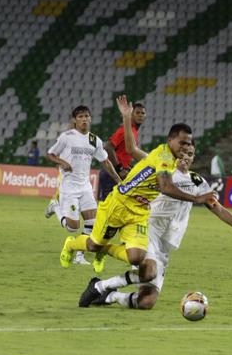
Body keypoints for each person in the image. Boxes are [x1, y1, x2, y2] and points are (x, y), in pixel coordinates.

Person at [79, 143, 232, 309]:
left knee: (146, 302)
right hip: (148, 231)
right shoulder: (163, 170)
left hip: (167, 245)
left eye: (190, 154)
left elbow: (218, 209)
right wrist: (128, 118)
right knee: (148, 271)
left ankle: (110, 295)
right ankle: (100, 286)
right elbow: (132, 149)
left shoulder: (197, 182)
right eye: (183, 153)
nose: (185, 157)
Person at [60, 95, 214, 279]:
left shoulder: (163, 157)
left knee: (136, 257)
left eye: (189, 144)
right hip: (118, 204)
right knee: (93, 244)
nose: (185, 147)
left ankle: (105, 250)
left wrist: (126, 118)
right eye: (182, 143)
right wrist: (197, 199)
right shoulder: (164, 157)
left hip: (139, 211)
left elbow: (132, 149)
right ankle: (71, 245)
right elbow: (166, 187)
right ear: (170, 140)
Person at [46, 105, 122, 266]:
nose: (84, 119)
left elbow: (105, 162)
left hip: (85, 187)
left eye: (87, 116)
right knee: (72, 228)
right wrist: (62, 162)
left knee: (92, 223)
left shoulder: (94, 140)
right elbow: (50, 154)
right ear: (74, 120)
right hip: (69, 188)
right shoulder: (66, 137)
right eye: (80, 117)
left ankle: (79, 255)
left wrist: (118, 179)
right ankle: (55, 207)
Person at [98, 102, 146, 200]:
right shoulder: (125, 130)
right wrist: (119, 168)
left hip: (117, 173)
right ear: (130, 115)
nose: (140, 115)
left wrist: (128, 167)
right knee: (109, 207)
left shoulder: (133, 131)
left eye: (143, 113)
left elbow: (124, 153)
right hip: (112, 174)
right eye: (137, 113)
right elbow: (108, 147)